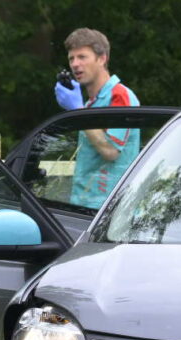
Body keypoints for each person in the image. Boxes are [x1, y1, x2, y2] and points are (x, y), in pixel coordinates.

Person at [52, 27, 140, 209]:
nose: (75, 64)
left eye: (82, 57)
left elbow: (110, 151)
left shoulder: (119, 95)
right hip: (84, 204)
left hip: (112, 209)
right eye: (71, 58)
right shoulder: (90, 104)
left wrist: (78, 111)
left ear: (102, 59)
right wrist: (80, 110)